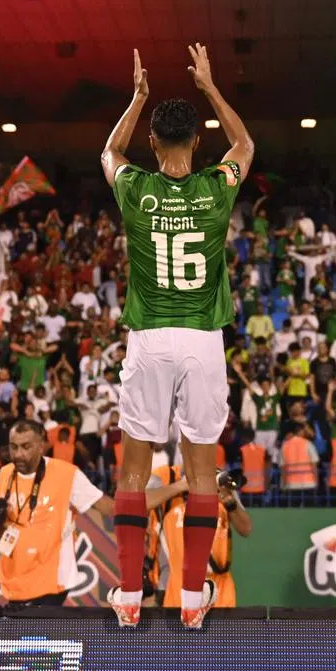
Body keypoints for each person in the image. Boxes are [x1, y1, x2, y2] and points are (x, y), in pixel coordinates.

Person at [100, 44, 254, 628]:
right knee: (199, 471)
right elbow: (245, 146)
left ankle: (130, 596)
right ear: (196, 142)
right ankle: (192, 598)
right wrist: (212, 88)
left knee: (134, 472)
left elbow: (110, 150)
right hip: (202, 341)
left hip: (147, 340)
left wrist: (136, 97)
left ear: (153, 144)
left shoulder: (135, 188)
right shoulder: (217, 188)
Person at [0, 420, 188, 607]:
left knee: (38, 641)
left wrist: (177, 487)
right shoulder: (5, 473)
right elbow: (5, 523)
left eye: (26, 447)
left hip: (50, 583)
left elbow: (113, 508)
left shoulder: (66, 475)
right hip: (13, 582)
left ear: (41, 446)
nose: (19, 454)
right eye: (14, 447)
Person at [151, 466, 253, 609]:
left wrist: (229, 502)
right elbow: (143, 502)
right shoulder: (168, 480)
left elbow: (246, 529)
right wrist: (182, 486)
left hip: (220, 593)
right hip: (180, 593)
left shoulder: (219, 481)